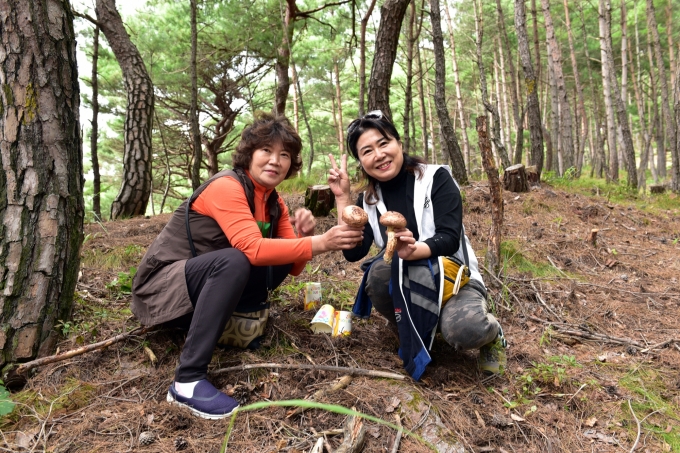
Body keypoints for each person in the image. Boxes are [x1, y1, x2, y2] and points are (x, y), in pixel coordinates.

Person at [131, 113, 363, 419]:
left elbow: (290, 269)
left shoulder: (273, 202)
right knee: (236, 259)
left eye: (284, 155)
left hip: (195, 295)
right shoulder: (226, 186)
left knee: (270, 257)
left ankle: (232, 319)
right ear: (249, 154)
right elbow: (251, 250)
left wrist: (302, 237)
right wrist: (320, 243)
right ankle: (186, 382)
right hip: (160, 290)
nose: (275, 161)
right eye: (266, 150)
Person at [328, 110, 507, 381]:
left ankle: (492, 335)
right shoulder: (370, 200)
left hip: (454, 279)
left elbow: (448, 237)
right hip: (405, 282)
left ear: (399, 143)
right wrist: (342, 200)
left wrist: (415, 251)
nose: (378, 155)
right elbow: (354, 253)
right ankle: (414, 328)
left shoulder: (436, 179)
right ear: (361, 161)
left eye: (384, 143)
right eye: (367, 151)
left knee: (465, 331)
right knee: (377, 273)